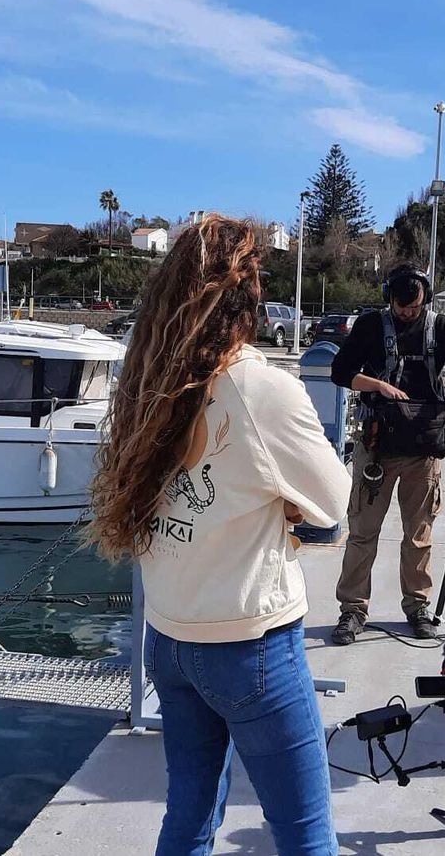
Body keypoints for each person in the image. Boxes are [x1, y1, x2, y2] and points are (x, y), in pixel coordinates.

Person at [87, 215, 349, 855]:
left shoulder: (149, 384)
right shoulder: (262, 390)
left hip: (171, 644)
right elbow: (333, 501)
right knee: (305, 834)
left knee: (189, 819)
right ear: (248, 293)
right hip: (249, 647)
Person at [329, 263, 445, 644]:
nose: (407, 313)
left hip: (423, 451)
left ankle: (417, 606)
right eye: (401, 306)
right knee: (362, 533)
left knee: (419, 534)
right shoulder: (371, 326)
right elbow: (340, 372)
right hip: (377, 448)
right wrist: (379, 386)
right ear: (388, 298)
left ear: (425, 297)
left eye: (414, 307)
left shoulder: (441, 327)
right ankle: (353, 610)